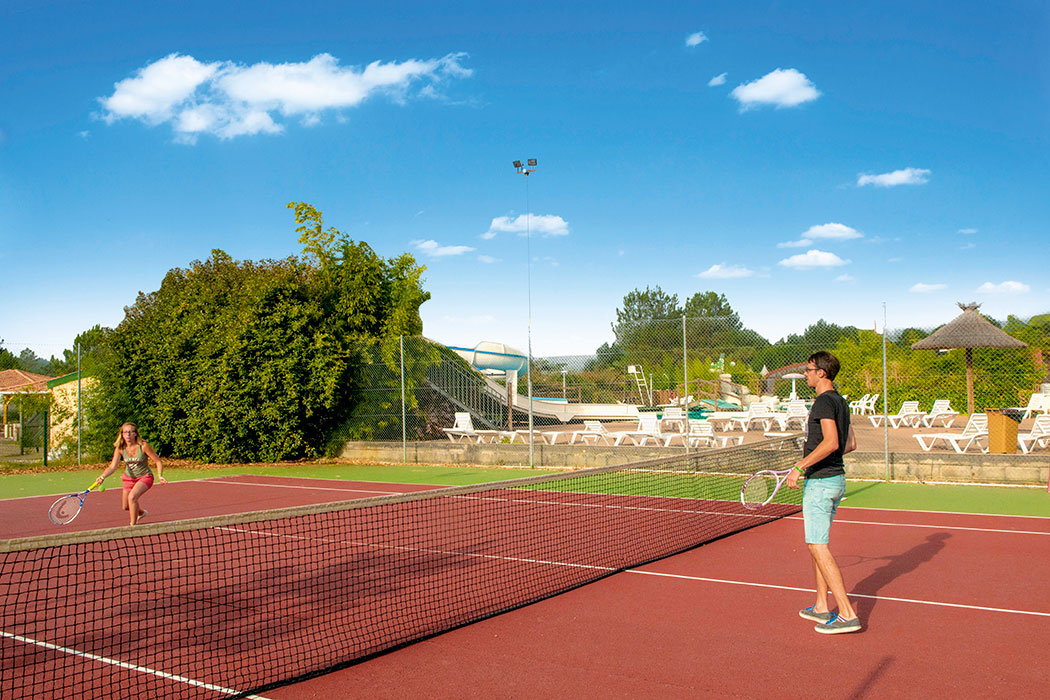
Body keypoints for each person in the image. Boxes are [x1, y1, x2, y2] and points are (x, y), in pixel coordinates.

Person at [785, 351, 860, 634]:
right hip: (836, 480)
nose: (805, 373)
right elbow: (849, 443)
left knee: (817, 546)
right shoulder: (840, 402)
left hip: (820, 483)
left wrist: (800, 467)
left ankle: (847, 613)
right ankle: (820, 606)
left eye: (808, 369)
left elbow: (831, 443)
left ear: (822, 373)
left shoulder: (822, 403)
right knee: (817, 543)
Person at [98, 422, 166, 525]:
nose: (128, 435)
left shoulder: (143, 446)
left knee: (132, 497)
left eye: (130, 432)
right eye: (125, 432)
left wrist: (160, 475)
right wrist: (103, 476)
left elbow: (158, 461)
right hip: (129, 478)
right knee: (126, 506)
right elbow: (112, 467)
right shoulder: (120, 448)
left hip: (145, 477)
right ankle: (141, 513)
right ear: (122, 435)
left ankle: (132, 526)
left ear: (135, 434)